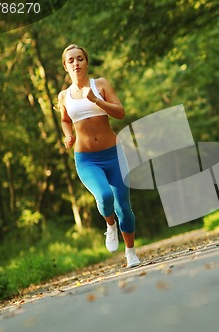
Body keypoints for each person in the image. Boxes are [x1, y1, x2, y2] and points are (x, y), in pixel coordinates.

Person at [57, 44, 141, 268]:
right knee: (104, 196)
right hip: (86, 160)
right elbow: (65, 120)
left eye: (80, 59)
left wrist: (95, 99)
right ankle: (110, 225)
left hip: (114, 154)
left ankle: (131, 253)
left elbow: (120, 113)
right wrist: (68, 136)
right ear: (65, 66)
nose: (76, 63)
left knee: (124, 206)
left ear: (86, 62)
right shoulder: (64, 96)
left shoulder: (100, 85)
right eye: (71, 60)